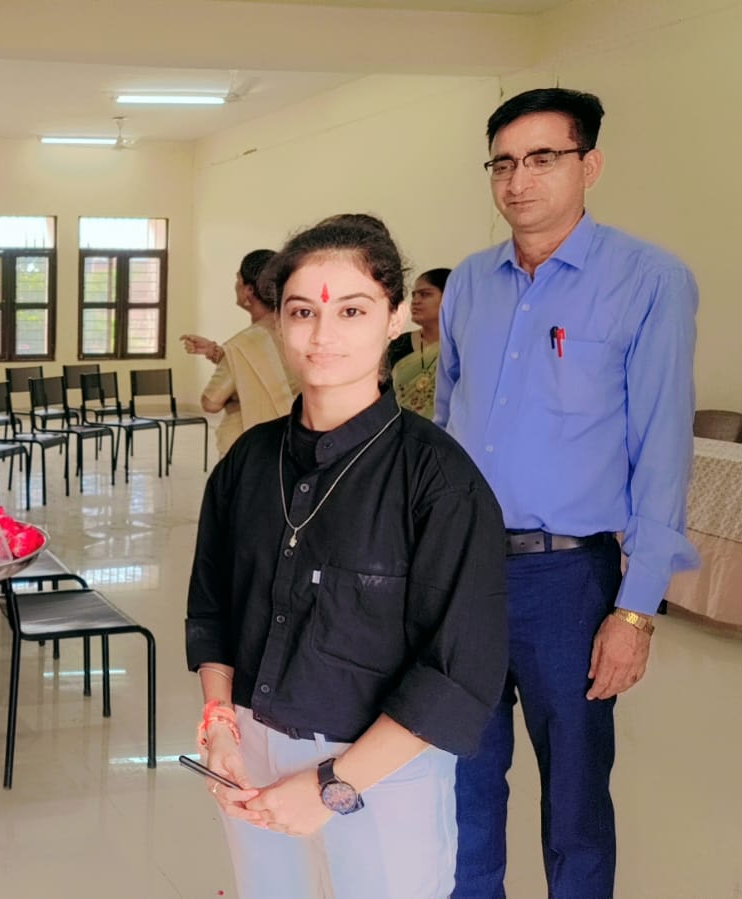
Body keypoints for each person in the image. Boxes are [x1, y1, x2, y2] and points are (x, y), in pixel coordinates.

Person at [186, 217, 508, 898]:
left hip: (382, 770)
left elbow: (457, 672)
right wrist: (218, 723)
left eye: (351, 311)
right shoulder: (247, 463)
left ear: (394, 317)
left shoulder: (438, 481)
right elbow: (212, 609)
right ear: (278, 323)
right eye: (302, 311)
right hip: (248, 753)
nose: (322, 334)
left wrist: (331, 785)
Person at [439, 88, 698, 899]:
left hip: (566, 581)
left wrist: (634, 611)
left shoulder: (647, 279)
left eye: (542, 158)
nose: (518, 181)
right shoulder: (468, 283)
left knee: (576, 800)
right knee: (460, 789)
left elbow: (661, 449)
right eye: (502, 163)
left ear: (589, 165)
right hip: (461, 576)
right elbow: (444, 426)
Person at [180, 249, 297, 458]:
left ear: (249, 291)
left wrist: (233, 387)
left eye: (238, 280)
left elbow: (211, 402)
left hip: (249, 447)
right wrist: (216, 352)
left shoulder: (242, 345)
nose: (236, 285)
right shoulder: (295, 329)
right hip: (291, 439)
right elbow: (272, 371)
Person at [390, 268, 450, 415]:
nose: (415, 301)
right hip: (403, 426)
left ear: (449, 298)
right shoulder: (400, 344)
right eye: (414, 295)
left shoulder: (462, 346)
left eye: (425, 294)